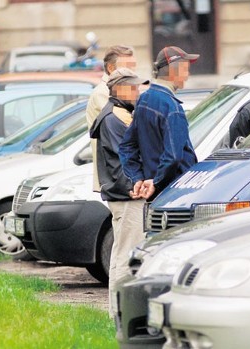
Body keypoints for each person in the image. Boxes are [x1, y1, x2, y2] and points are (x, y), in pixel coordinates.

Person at [89, 68, 149, 315]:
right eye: (133, 87)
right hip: (126, 196)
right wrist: (135, 186)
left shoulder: (121, 114)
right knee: (127, 254)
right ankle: (121, 314)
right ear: (119, 89)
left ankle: (118, 310)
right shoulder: (114, 118)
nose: (137, 92)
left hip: (125, 194)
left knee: (121, 253)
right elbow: (125, 159)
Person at [119, 46, 199, 201]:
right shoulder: (172, 107)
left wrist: (138, 179)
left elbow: (126, 146)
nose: (188, 76)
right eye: (186, 70)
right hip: (175, 193)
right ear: (175, 72)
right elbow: (173, 157)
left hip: (154, 191)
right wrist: (156, 182)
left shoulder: (144, 99)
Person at [86, 45, 137, 192]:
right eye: (127, 67)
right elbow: (128, 126)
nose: (132, 73)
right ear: (110, 68)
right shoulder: (104, 93)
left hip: (121, 175)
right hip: (117, 176)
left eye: (133, 67)